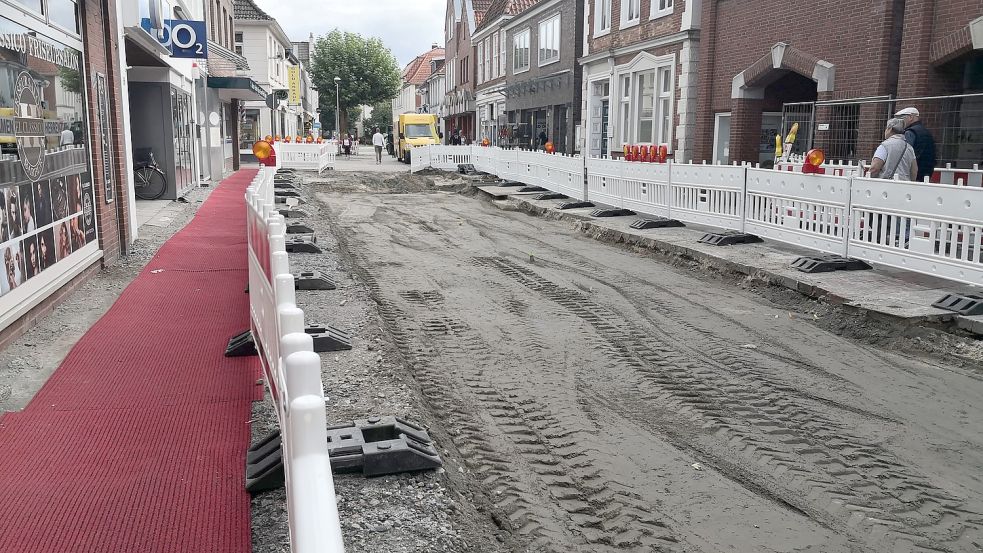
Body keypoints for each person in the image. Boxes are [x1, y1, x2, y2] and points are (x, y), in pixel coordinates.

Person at [895, 107, 936, 182]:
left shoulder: (910, 132)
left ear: (911, 117)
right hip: (926, 172)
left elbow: (905, 153)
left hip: (913, 173)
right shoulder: (927, 132)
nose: (900, 122)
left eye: (902, 118)